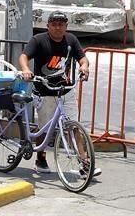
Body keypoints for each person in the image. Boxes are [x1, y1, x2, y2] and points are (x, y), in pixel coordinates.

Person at [19, 10, 99, 177]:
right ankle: (40, 159)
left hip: (66, 91)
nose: (57, 28)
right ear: (48, 26)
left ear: (66, 26)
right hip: (44, 91)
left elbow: (82, 58)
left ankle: (84, 163)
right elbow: (24, 57)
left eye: (61, 25)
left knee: (73, 127)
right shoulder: (39, 40)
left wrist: (84, 67)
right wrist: (26, 69)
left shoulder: (71, 40)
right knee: (44, 128)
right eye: (54, 25)